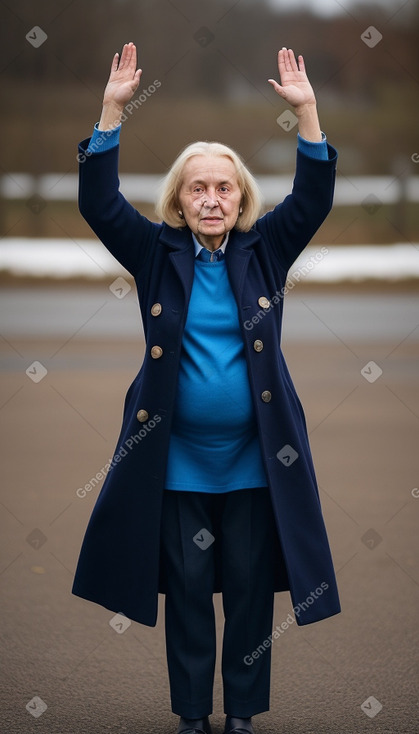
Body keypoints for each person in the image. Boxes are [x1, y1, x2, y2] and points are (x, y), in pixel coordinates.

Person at [72, 42, 341, 734]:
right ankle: (193, 715)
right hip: (177, 463)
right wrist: (110, 112)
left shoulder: (266, 249)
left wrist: (307, 114)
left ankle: (242, 714)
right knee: (189, 591)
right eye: (198, 187)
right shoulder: (153, 253)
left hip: (255, 462)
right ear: (179, 200)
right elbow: (99, 203)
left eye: (224, 187)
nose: (212, 198)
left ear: (241, 197)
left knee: (249, 593)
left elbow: (311, 198)